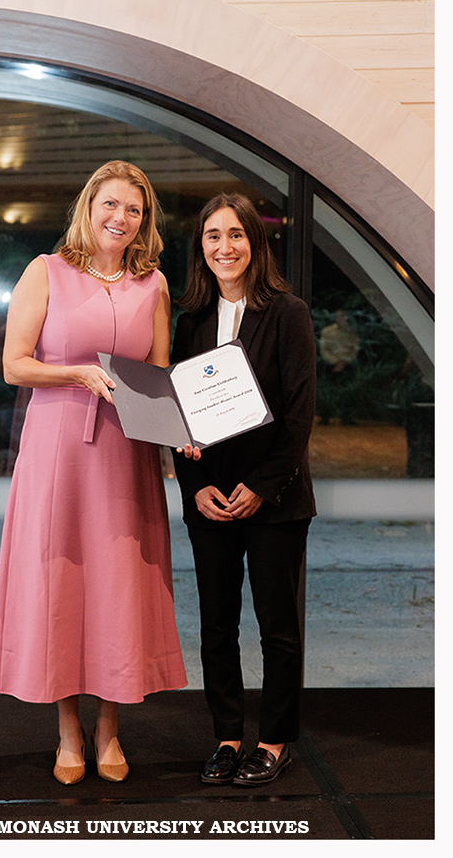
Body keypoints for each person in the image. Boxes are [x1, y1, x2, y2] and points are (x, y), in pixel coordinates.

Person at [0, 161, 187, 785]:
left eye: (134, 209)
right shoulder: (45, 271)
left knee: (118, 586)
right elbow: (14, 365)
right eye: (111, 205)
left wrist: (185, 435)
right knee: (61, 583)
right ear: (89, 207)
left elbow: (157, 381)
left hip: (125, 458)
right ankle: (67, 731)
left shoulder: (152, 286)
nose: (120, 218)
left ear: (143, 221)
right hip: (56, 455)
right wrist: (75, 374)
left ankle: (109, 730)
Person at [172, 193, 316, 787]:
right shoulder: (190, 322)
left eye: (236, 235)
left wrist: (259, 487)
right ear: (200, 248)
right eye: (212, 236)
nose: (224, 247)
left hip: (275, 500)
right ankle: (228, 737)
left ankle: (275, 740)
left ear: (255, 244)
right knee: (217, 625)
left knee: (278, 627)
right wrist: (195, 488)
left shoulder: (288, 313)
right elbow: (176, 416)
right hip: (211, 500)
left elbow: (299, 415)